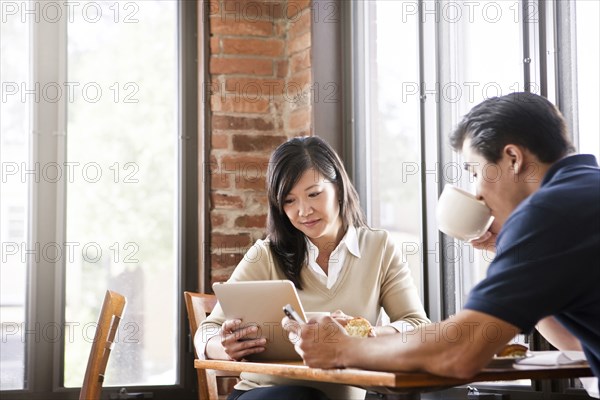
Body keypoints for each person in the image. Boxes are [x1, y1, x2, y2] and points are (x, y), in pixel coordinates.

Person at [283, 92, 600, 396]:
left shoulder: (547, 211)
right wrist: (509, 252)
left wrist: (342, 348)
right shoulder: (582, 194)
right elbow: (575, 340)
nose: (476, 193)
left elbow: (460, 351)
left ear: (513, 158)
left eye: (474, 171)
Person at [195, 136, 430, 400]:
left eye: (314, 194)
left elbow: (418, 325)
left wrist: (366, 333)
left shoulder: (379, 248)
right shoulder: (265, 254)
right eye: (289, 201)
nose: (303, 211)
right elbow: (207, 330)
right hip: (265, 394)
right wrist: (221, 346)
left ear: (338, 188)